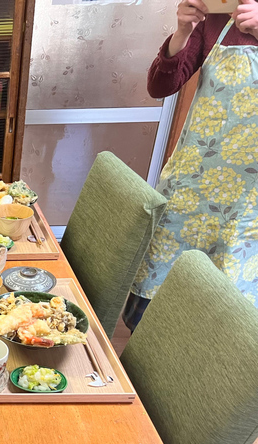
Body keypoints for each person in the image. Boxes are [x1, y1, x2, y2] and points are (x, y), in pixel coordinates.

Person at [125, 0, 258, 331]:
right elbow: (159, 86)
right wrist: (184, 30)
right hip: (193, 186)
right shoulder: (215, 19)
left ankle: (193, 376)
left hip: (248, 204)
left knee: (223, 312)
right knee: (152, 304)